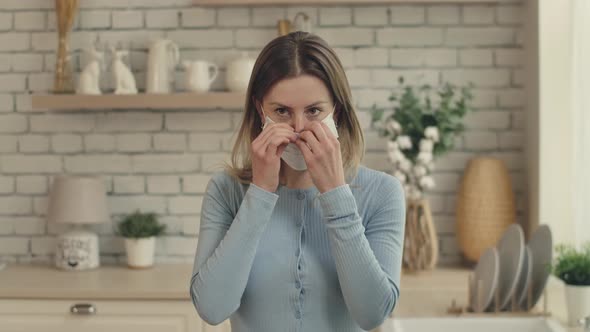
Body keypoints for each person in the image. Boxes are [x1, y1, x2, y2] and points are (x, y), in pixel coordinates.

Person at [189, 31, 406, 332]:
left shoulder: (382, 192)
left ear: (337, 111)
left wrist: (336, 194)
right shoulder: (226, 191)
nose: (299, 128)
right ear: (259, 110)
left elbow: (372, 314)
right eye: (281, 111)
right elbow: (212, 309)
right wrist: (261, 192)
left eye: (314, 111)